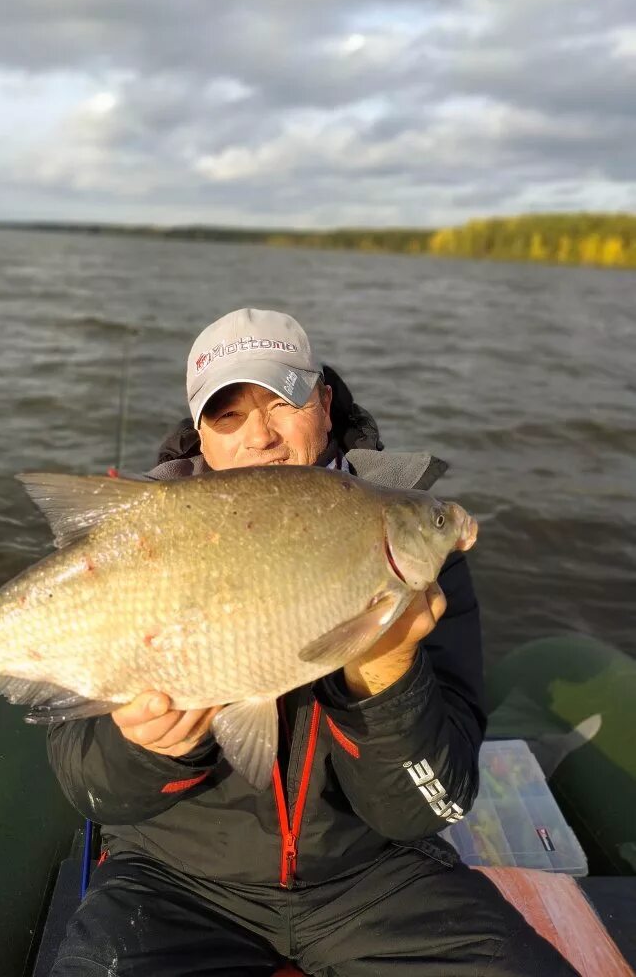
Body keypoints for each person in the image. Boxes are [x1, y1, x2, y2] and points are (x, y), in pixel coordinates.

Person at [46, 308, 576, 976]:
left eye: (282, 400)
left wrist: (388, 677)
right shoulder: (140, 548)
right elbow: (86, 786)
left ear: (324, 403)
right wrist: (144, 748)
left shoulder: (406, 541)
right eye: (227, 415)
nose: (259, 436)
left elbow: (426, 805)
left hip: (374, 875)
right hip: (172, 879)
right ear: (201, 436)